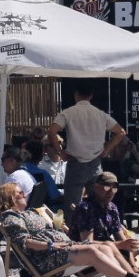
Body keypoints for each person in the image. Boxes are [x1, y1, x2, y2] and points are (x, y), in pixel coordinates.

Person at [0, 182, 139, 277]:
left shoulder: (30, 212)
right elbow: (25, 242)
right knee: (91, 251)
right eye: (20, 193)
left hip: (64, 248)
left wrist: (61, 230)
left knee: (106, 246)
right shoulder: (10, 217)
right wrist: (51, 244)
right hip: (48, 257)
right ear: (9, 198)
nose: (24, 194)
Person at [47, 83, 126, 211]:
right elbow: (121, 132)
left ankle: (73, 230)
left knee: (72, 206)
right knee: (99, 204)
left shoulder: (68, 113)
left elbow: (51, 131)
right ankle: (98, 229)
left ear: (75, 95)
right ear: (91, 96)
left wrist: (60, 152)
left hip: (75, 162)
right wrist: (106, 149)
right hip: (95, 163)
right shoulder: (101, 114)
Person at [20, 140, 63, 206]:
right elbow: (55, 197)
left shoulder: (17, 170)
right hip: (40, 211)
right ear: (42, 155)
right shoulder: (43, 174)